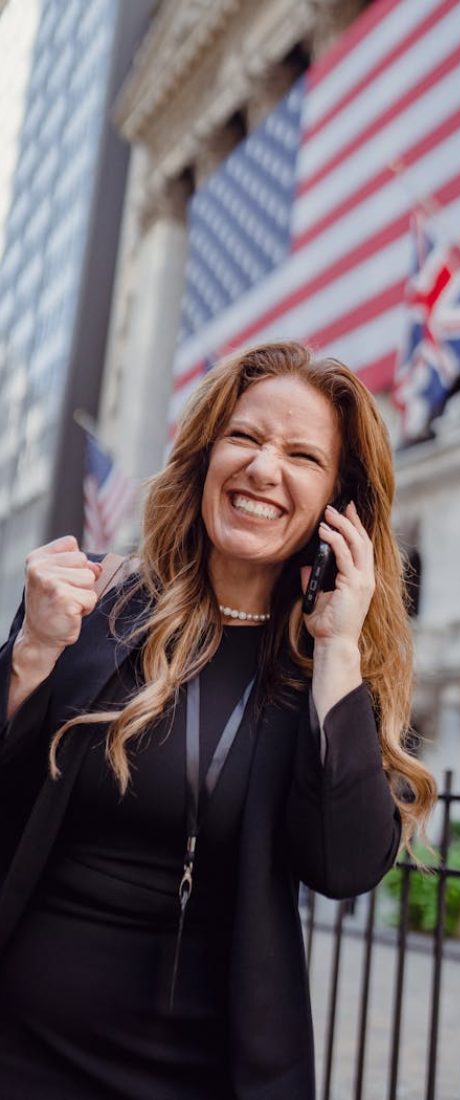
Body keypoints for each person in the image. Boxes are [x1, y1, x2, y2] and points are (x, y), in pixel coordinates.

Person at [0, 341, 436, 1099]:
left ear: (340, 504)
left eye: (302, 455)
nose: (264, 469)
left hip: (207, 1068)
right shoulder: (94, 607)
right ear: (204, 456)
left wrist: (337, 648)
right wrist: (32, 653)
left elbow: (345, 868)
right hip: (20, 1044)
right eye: (244, 437)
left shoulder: (327, 672)